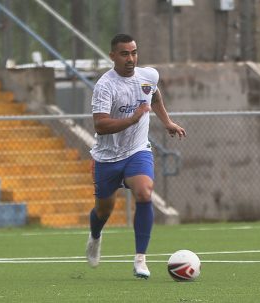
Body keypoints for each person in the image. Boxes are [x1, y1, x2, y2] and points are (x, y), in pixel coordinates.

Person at [86, 34, 186, 279]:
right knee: (103, 210)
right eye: (124, 54)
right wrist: (133, 118)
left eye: (134, 53)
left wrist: (167, 122)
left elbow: (155, 96)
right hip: (107, 157)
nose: (130, 58)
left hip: (138, 150)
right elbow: (100, 125)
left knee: (144, 192)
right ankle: (95, 237)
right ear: (112, 56)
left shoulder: (148, 76)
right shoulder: (105, 86)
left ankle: (140, 259)